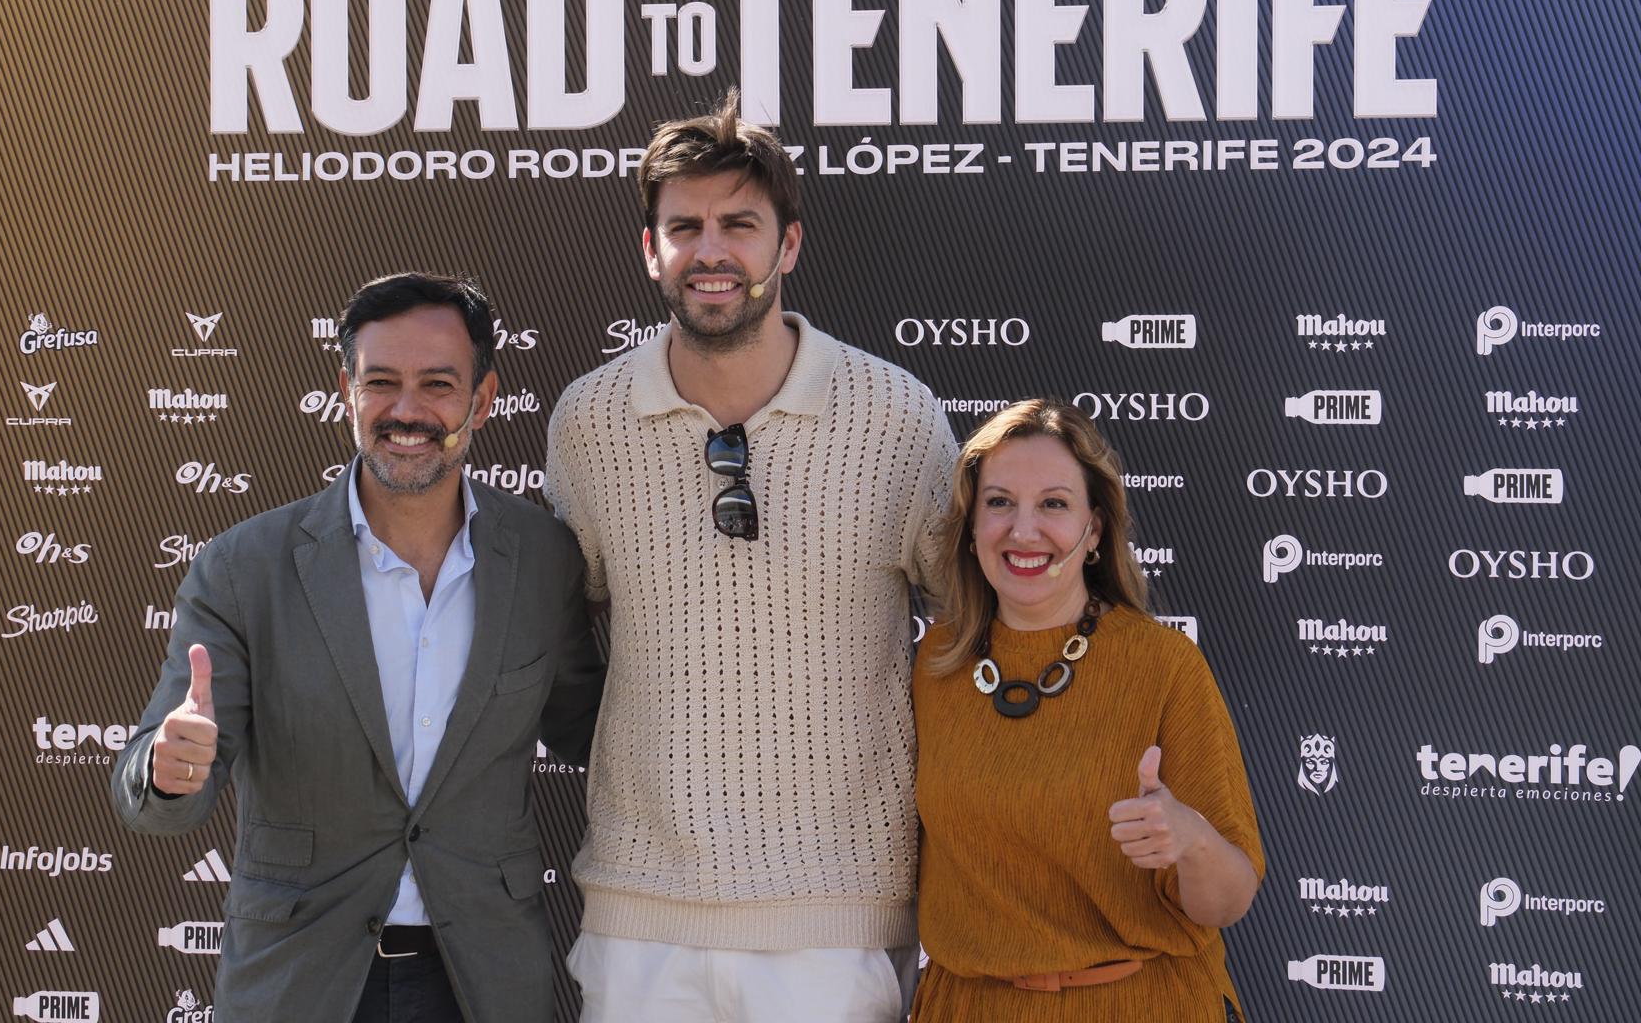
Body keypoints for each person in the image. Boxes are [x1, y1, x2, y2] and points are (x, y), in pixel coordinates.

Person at [545, 91, 961, 1022]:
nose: (712, 250)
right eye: (684, 225)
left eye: (740, 222)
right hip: (640, 918)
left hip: (836, 920)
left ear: (789, 245)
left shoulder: (895, 416)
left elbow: (978, 632)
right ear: (651, 249)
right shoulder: (588, 422)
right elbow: (559, 641)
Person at [112, 273, 607, 1023]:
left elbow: (595, 732)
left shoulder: (542, 561)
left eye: (438, 384)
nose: (407, 411)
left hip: (482, 979)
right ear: (347, 392)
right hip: (302, 979)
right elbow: (155, 790)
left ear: (482, 399)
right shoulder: (245, 568)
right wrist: (168, 768)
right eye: (382, 382)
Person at [910, 398, 1264, 1020]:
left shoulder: (1163, 666)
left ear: (1094, 530)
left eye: (1053, 503)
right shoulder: (938, 661)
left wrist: (1191, 840)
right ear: (970, 527)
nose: (1023, 531)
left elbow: (1229, 901)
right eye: (999, 503)